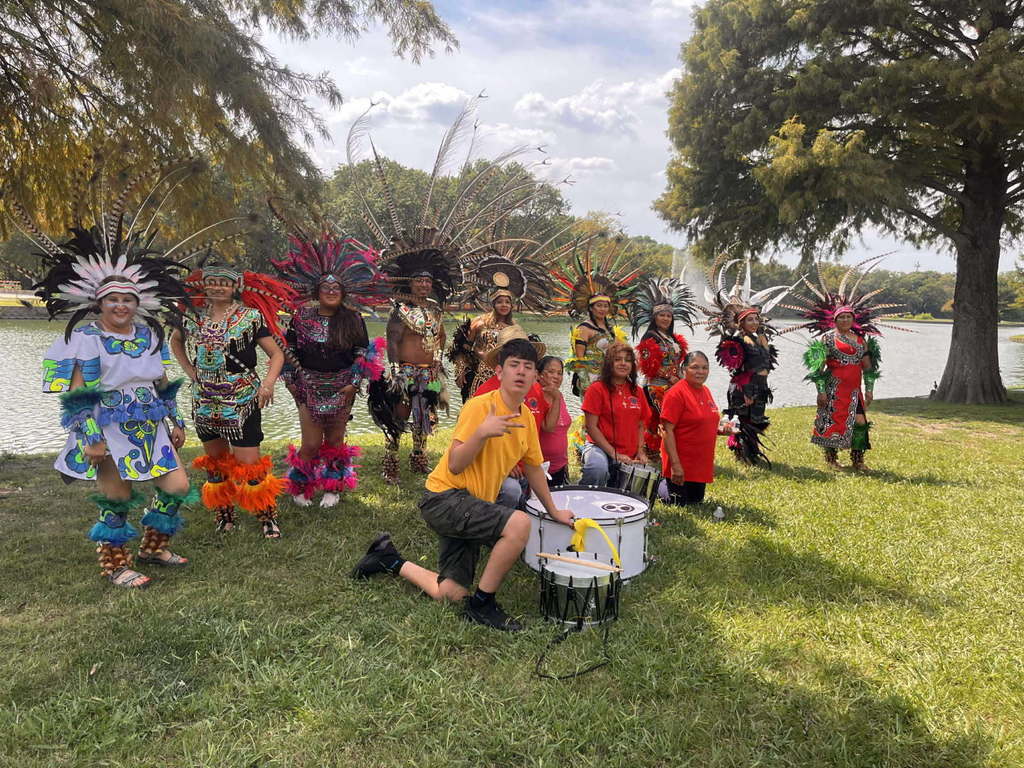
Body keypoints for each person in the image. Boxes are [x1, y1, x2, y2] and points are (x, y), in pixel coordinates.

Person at [21, 159, 203, 588]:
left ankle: (153, 547)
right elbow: (77, 393)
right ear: (98, 304)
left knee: (177, 486)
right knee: (117, 496)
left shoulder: (149, 336)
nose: (121, 306)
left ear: (138, 304)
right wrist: (90, 437)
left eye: (128, 299)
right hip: (107, 425)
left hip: (150, 422)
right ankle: (115, 565)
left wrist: (174, 420)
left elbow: (161, 383)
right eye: (113, 300)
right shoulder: (84, 338)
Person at [350, 99, 546, 485]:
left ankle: (420, 455)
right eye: (418, 281)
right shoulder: (399, 310)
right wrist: (393, 368)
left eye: (428, 281)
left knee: (427, 415)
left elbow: (440, 338)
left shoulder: (437, 312)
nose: (424, 285)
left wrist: (440, 362)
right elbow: (392, 339)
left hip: (430, 370)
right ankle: (392, 456)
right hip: (404, 370)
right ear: (409, 282)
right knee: (400, 412)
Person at [351, 338, 574, 632]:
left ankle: (388, 559)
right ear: (499, 372)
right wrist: (482, 433)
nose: (521, 371)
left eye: (528, 367)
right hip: (444, 499)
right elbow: (455, 463)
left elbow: (533, 469)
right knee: (519, 524)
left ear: (535, 376)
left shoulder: (527, 421)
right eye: (514, 365)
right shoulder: (480, 407)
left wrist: (555, 511)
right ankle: (483, 605)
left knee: (451, 594)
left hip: (471, 505)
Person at [170, 261, 295, 538]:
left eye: (224, 282)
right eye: (212, 281)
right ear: (204, 284)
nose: (217, 286)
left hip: (242, 397)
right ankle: (224, 514)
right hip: (203, 399)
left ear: (235, 286)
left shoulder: (250, 317)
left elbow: (276, 354)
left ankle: (266, 515)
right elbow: (175, 341)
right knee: (215, 462)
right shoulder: (191, 317)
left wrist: (268, 383)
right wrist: (191, 372)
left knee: (249, 463)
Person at [272, 228, 388, 507]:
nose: (332, 292)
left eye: (337, 289)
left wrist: (354, 384)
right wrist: (289, 380)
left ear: (344, 292)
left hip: (343, 385)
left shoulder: (352, 319)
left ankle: (332, 488)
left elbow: (363, 352)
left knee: (335, 442)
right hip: (308, 385)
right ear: (317, 291)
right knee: (311, 444)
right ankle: (300, 486)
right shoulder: (301, 317)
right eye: (326, 288)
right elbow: (288, 350)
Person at [787, 255, 899, 471]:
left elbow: (868, 368)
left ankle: (858, 461)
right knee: (832, 422)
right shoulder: (826, 339)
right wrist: (820, 391)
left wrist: (870, 390)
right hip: (834, 388)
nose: (845, 321)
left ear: (853, 319)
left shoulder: (861, 340)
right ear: (835, 320)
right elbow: (817, 370)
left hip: (854, 390)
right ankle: (831, 460)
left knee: (860, 423)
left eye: (848, 317)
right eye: (841, 318)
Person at [702, 256, 798, 467]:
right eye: (750, 319)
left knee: (756, 419)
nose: (754, 322)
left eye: (756, 319)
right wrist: (746, 391)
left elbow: (765, 363)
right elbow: (737, 370)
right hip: (744, 386)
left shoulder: (761, 338)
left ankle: (751, 452)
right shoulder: (735, 341)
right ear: (741, 322)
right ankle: (741, 454)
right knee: (742, 419)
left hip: (761, 385)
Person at [472, 326, 548, 508]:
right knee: (511, 491)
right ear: (501, 361)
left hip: (527, 466)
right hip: (496, 467)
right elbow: (475, 440)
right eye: (514, 360)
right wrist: (505, 463)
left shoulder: (535, 388)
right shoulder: (485, 394)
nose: (521, 369)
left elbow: (538, 431)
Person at [631, 278, 697, 462]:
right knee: (665, 419)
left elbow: (679, 362)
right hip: (656, 386)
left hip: (675, 385)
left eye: (669, 316)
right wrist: (671, 378)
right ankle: (655, 452)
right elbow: (649, 366)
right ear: (654, 317)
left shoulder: (672, 338)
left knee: (676, 419)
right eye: (662, 315)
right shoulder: (650, 337)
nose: (666, 319)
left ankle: (671, 452)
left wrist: (682, 380)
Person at [661, 351, 736, 506]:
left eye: (705, 368)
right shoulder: (675, 394)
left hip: (699, 465)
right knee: (677, 502)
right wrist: (675, 465)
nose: (700, 372)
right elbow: (666, 431)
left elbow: (706, 421)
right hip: (680, 464)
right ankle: (659, 484)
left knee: (696, 502)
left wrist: (723, 429)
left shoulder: (705, 391)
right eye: (695, 367)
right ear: (684, 369)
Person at [580, 342, 652, 487]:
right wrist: (613, 454)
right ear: (609, 363)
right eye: (617, 359)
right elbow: (591, 427)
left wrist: (640, 451)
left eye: (627, 360)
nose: (623, 363)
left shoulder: (637, 391)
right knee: (597, 469)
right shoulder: (596, 389)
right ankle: (584, 497)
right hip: (599, 448)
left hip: (628, 452)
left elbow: (640, 425)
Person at [537, 356, 572, 487]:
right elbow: (549, 428)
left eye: (560, 373)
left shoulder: (559, 395)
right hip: (540, 469)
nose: (556, 376)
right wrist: (556, 398)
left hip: (560, 467)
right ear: (539, 374)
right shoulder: (535, 396)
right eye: (551, 372)